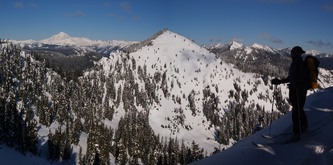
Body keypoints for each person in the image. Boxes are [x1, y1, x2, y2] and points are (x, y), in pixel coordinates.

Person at [271, 46, 309, 141]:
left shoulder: (300, 64)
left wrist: (298, 86)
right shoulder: (295, 63)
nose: (291, 55)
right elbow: (291, 78)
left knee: (296, 112)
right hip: (295, 91)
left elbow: (302, 79)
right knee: (298, 109)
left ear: (295, 54)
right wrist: (280, 81)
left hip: (298, 92)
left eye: (292, 53)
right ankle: (303, 127)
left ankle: (297, 133)